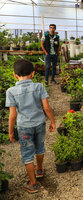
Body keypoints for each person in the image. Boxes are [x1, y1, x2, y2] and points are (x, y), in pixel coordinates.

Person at [6, 59, 56, 193]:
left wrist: (10, 132)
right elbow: (46, 107)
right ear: (33, 73)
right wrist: (52, 121)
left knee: (27, 153)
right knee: (40, 147)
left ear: (15, 75)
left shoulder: (11, 91)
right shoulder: (39, 87)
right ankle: (39, 169)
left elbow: (13, 115)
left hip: (24, 127)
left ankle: (33, 184)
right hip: (39, 123)